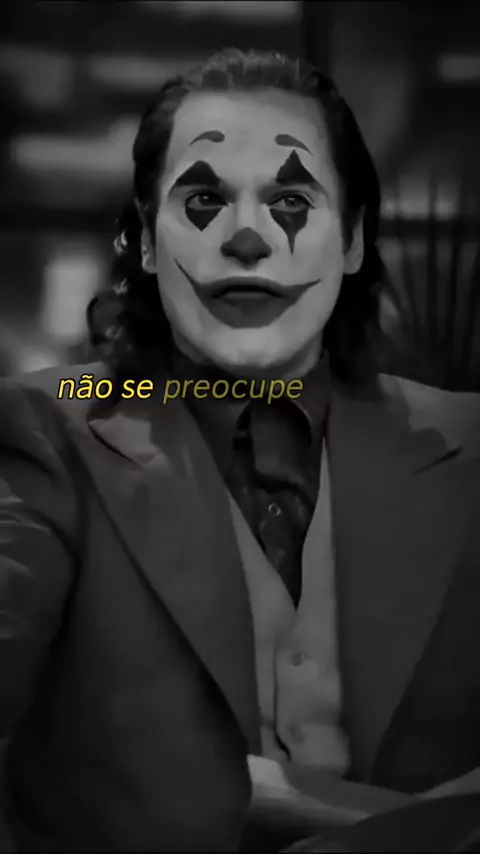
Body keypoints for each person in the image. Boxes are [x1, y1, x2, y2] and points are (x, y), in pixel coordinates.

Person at [0, 48, 479, 853]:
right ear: (146, 244)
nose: (248, 238)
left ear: (352, 240)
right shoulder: (51, 423)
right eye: (203, 201)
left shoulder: (471, 445)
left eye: (291, 199)